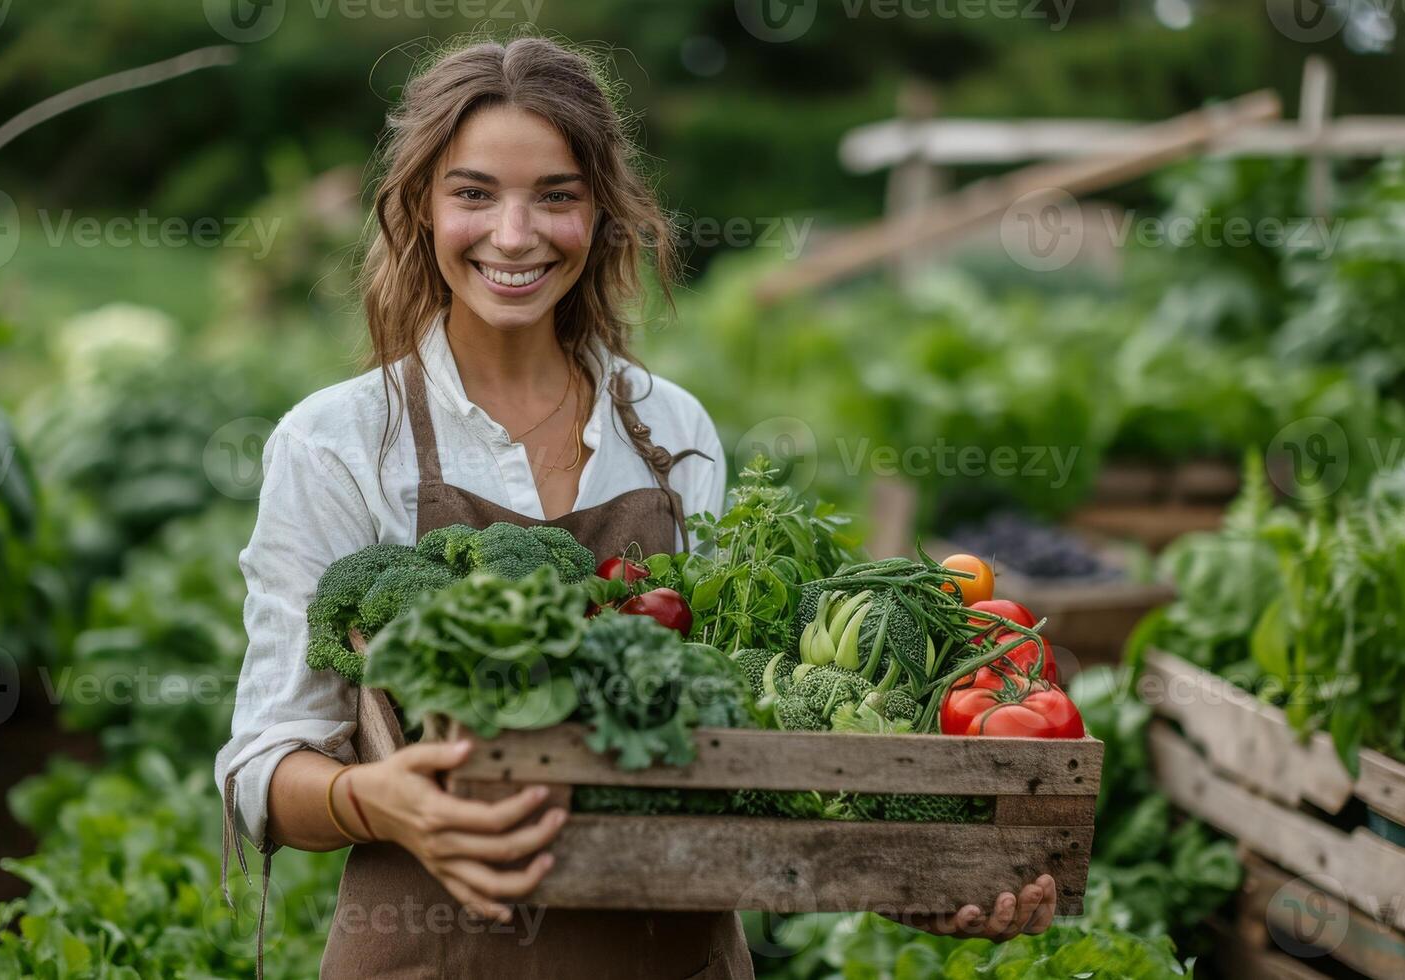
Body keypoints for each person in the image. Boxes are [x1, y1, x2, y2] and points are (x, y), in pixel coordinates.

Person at [215, 33, 1058, 980]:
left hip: (674, 954)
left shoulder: (671, 426)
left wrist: (911, 876)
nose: (514, 234)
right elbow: (264, 765)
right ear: (419, 205)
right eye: (474, 192)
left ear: (602, 211)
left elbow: (738, 737)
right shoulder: (336, 441)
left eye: (557, 196)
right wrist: (382, 801)